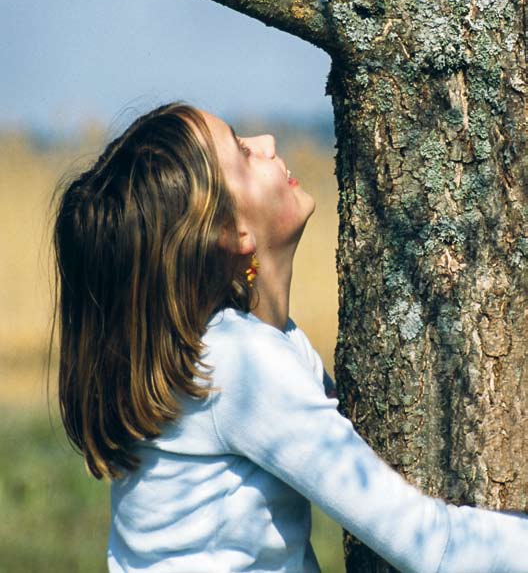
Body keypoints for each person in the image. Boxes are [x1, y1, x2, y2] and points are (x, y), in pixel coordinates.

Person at [52, 102, 527, 573]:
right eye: (243, 153)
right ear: (231, 232)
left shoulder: (241, 349)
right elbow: (433, 547)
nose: (267, 144)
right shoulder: (239, 367)